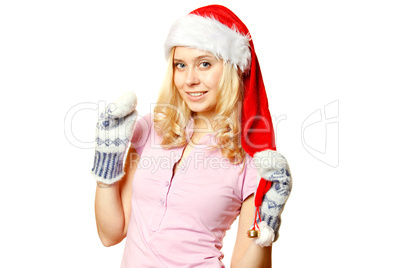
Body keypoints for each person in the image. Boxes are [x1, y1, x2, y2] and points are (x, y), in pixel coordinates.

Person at [92, 5, 292, 268]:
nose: (189, 79)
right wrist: (108, 163)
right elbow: (111, 234)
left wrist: (265, 227)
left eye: (205, 64)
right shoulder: (151, 127)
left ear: (232, 68)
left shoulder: (251, 158)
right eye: (180, 65)